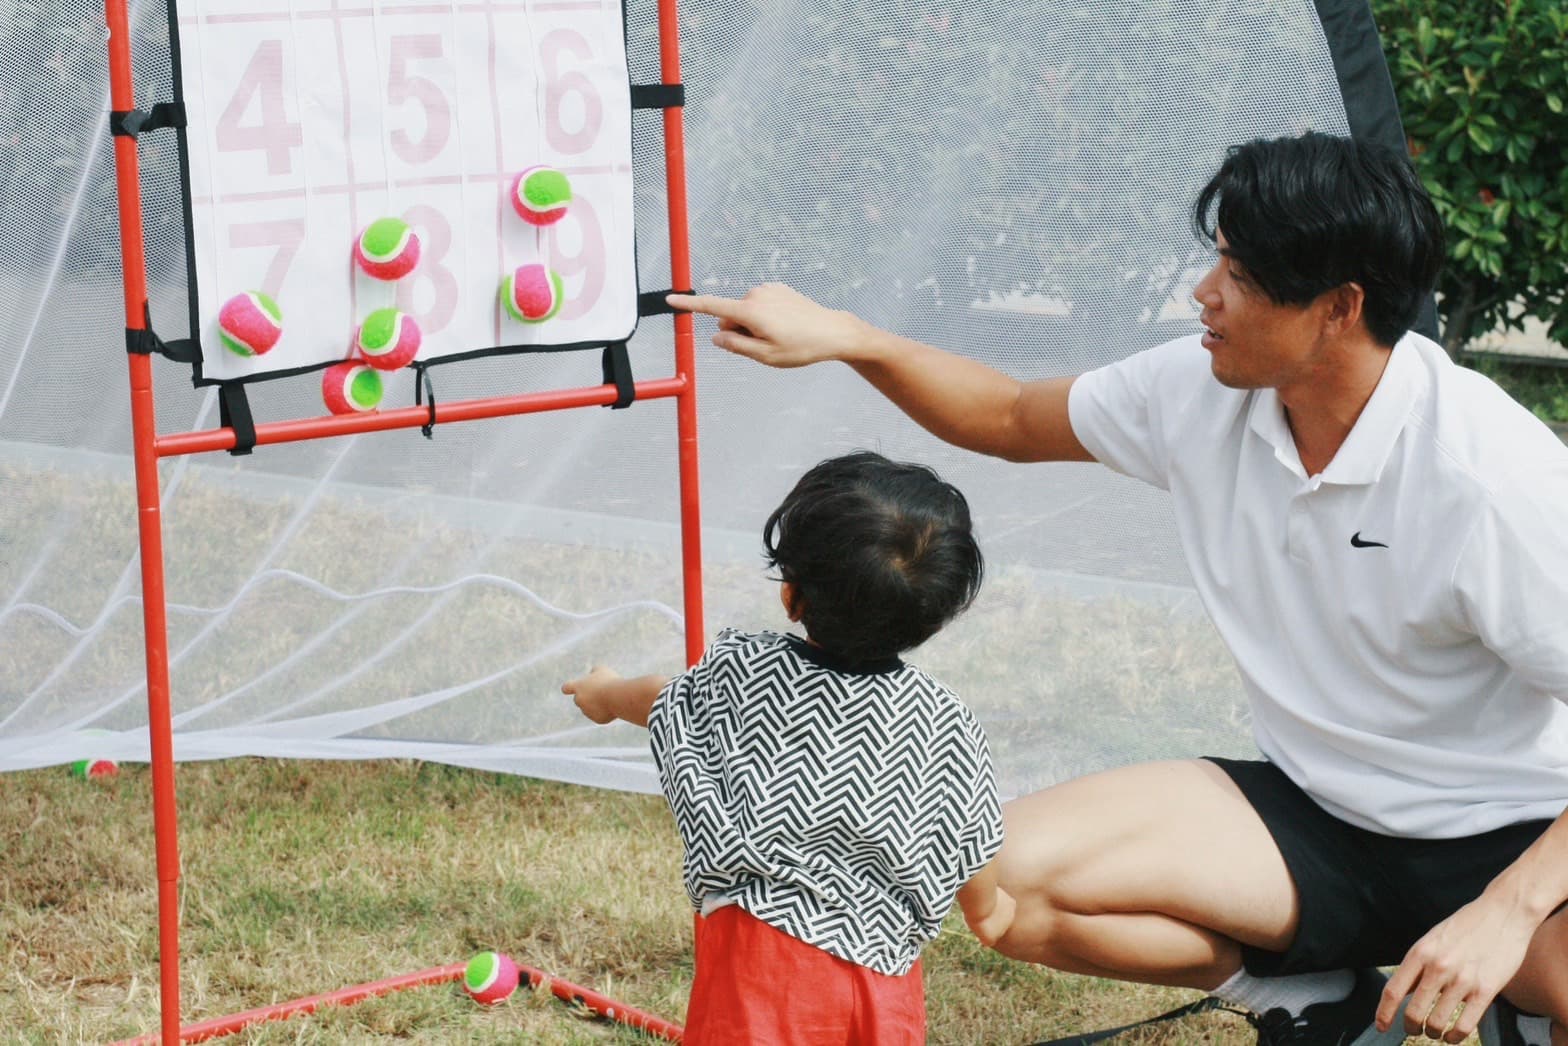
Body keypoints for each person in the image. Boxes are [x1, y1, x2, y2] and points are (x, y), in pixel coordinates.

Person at [666, 131, 1568, 1046]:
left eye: (1242, 276)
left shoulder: (1494, 478)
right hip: (1310, 819)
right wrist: (850, 339)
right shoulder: (1202, 387)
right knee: (1003, 882)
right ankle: (1308, 999)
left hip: (1511, 833)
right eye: (1216, 259)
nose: (1204, 295)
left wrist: (1507, 909)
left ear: (1340, 307)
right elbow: (1011, 417)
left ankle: (1519, 1009)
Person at [562, 450, 1014, 1045]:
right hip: (882, 986)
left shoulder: (749, 672)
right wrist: (990, 913)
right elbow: (971, 844)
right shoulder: (946, 721)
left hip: (758, 969)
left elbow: (664, 699)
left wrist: (604, 693)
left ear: (792, 596)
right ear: (931, 618)